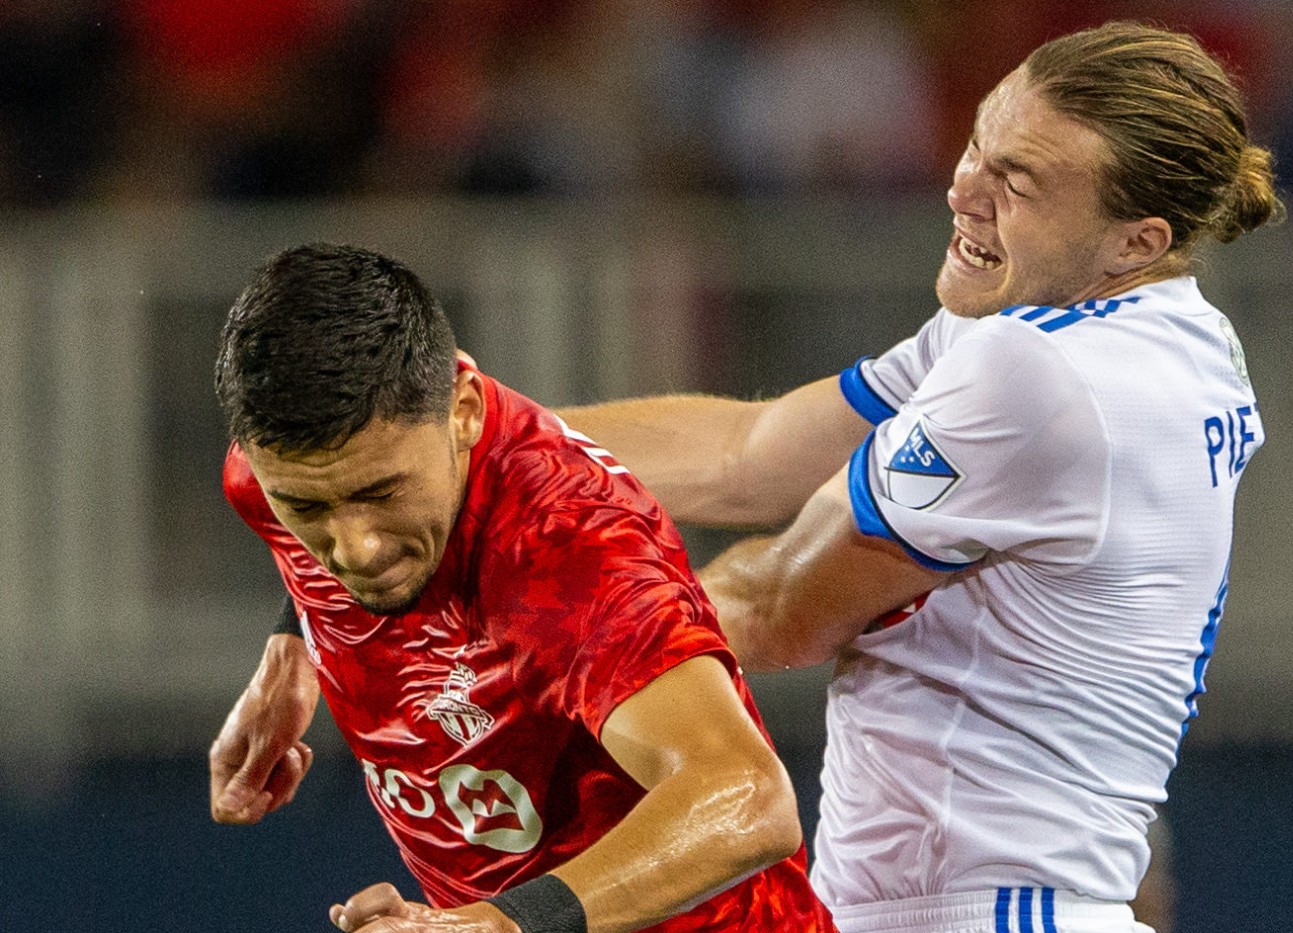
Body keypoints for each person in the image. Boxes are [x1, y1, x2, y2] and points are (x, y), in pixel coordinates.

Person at [556, 22, 1280, 933]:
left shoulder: (1043, 372)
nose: (962, 189)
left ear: (1136, 240)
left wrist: (521, 641)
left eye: (1017, 182)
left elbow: (778, 607)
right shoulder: (1148, 331)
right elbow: (751, 454)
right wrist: (485, 441)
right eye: (979, 143)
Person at [206, 243, 836, 933]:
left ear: (464, 411)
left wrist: (497, 924)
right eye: (304, 509)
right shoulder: (283, 467)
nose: (356, 549)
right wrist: (292, 650)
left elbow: (747, 795)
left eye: (382, 493)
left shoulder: (568, 555)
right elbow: (325, 502)